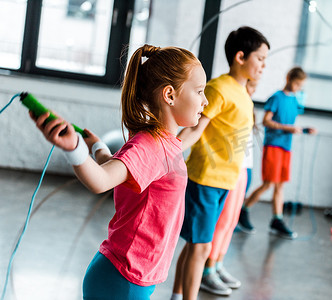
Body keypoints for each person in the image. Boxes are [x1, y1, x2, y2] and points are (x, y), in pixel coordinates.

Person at [29, 44, 208, 299]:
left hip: (132, 276)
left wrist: (97, 147)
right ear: (169, 95)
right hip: (123, 280)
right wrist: (75, 148)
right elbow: (102, 181)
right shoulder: (151, 145)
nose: (205, 100)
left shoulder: (163, 142)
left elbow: (118, 168)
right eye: (200, 91)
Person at [171, 27, 270, 300]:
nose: (263, 65)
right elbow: (196, 128)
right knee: (200, 248)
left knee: (196, 247)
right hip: (205, 179)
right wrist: (171, 150)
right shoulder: (218, 88)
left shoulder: (243, 93)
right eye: (260, 58)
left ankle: (177, 296)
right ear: (240, 57)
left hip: (225, 181)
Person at [238, 66, 316, 239]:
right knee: (269, 183)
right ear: (288, 78)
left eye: (300, 86)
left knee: (280, 184)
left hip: (286, 147)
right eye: (296, 84)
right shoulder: (276, 97)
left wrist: (304, 130)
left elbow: (292, 124)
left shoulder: (295, 100)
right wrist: (287, 128)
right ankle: (243, 210)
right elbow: (266, 121)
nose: (297, 88)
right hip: (273, 145)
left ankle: (277, 219)